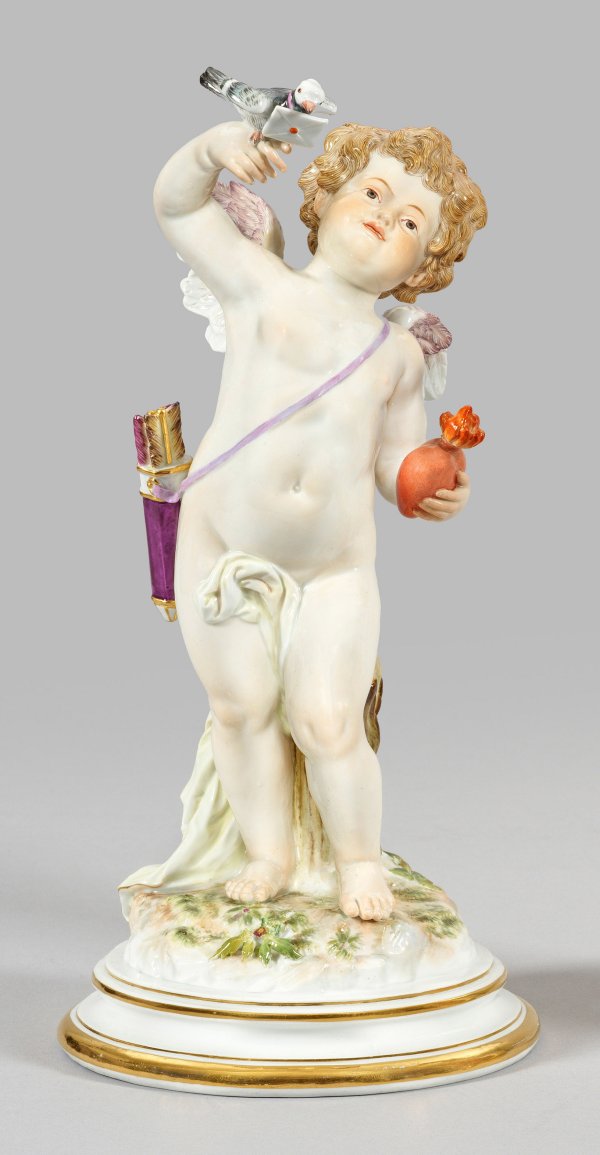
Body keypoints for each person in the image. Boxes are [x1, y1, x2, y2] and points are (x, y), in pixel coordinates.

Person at [148, 118, 487, 922]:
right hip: (220, 541)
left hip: (334, 565)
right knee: (242, 708)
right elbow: (178, 207)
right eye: (373, 191)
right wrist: (212, 150)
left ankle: (357, 859)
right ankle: (268, 853)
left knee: (330, 719)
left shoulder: (398, 355)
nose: (385, 215)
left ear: (424, 265)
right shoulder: (259, 285)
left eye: (412, 221)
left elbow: (394, 466)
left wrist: (435, 481)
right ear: (326, 195)